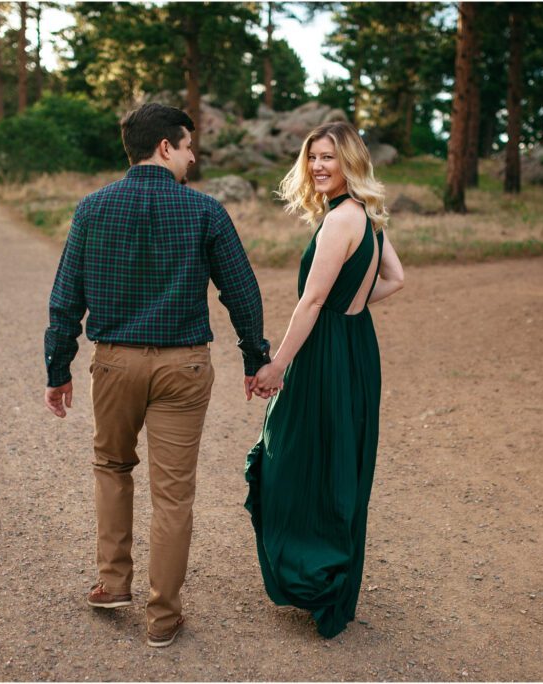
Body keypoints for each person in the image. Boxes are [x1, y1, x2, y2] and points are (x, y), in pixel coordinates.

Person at [44, 103, 271, 648]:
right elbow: (241, 291)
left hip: (115, 363)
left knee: (111, 466)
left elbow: (65, 298)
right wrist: (254, 357)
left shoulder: (92, 208)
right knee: (173, 494)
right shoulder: (206, 211)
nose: (193, 157)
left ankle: (112, 583)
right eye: (188, 146)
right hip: (183, 366)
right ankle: (163, 617)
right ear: (165, 147)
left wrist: (58, 368)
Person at [245, 121, 405, 638]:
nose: (317, 166)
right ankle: (331, 581)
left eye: (328, 157)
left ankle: (314, 577)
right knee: (338, 459)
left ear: (350, 161)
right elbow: (395, 278)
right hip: (356, 345)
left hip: (325, 351)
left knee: (293, 454)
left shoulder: (341, 220)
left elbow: (312, 301)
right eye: (312, 156)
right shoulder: (369, 216)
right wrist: (350, 306)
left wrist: (277, 365)